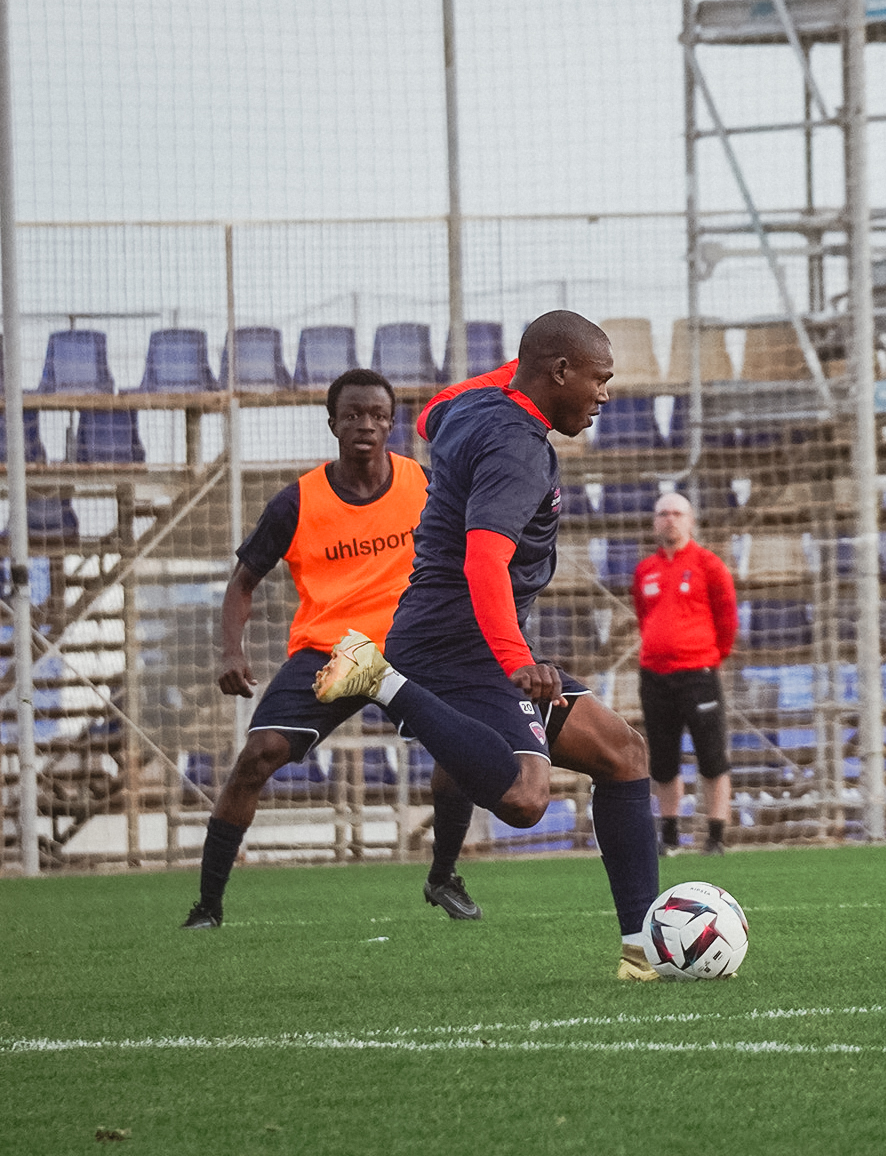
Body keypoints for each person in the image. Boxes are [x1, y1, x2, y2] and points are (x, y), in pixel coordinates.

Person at [312, 310, 662, 980]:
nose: (605, 396)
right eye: (599, 379)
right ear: (559, 372)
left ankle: (644, 952)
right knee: (527, 799)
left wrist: (524, 367)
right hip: (457, 643)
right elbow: (483, 564)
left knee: (622, 752)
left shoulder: (471, 406)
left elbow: (429, 415)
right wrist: (518, 663)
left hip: (455, 632)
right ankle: (374, 676)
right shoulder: (519, 448)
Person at [182, 369, 481, 926]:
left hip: (410, 647)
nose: (365, 424)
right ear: (333, 423)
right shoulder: (297, 501)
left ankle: (442, 877)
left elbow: (473, 554)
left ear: (392, 424)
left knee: (459, 756)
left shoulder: (426, 484)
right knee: (256, 756)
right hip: (331, 654)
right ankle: (208, 906)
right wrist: (231, 652)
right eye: (352, 415)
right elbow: (242, 583)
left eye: (376, 415)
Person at [632, 492, 738, 856]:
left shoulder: (709, 565)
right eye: (663, 513)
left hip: (698, 673)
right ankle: (670, 836)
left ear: (691, 520)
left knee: (712, 756)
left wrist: (709, 656)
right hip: (655, 676)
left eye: (677, 513)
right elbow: (643, 615)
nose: (670, 520)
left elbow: (727, 620)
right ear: (654, 521)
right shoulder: (645, 570)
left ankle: (715, 836)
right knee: (662, 759)